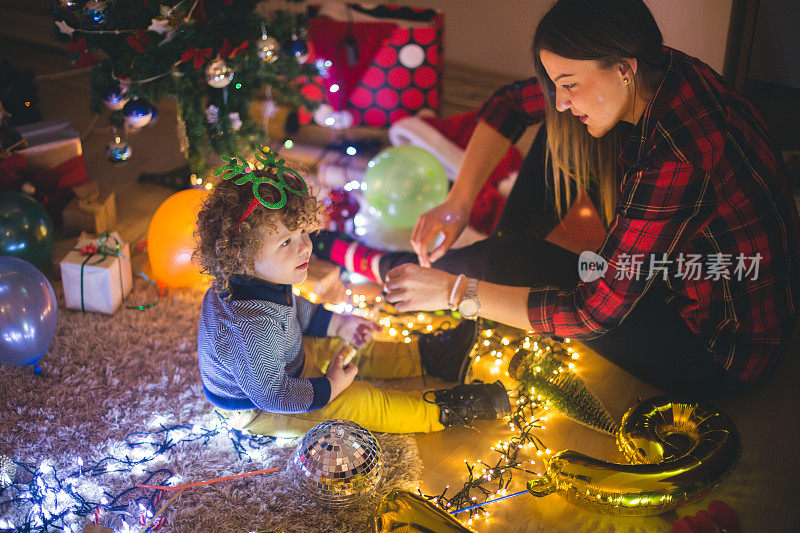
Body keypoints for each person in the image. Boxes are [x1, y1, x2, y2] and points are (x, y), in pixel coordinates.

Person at [382, 0, 800, 396]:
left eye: (570, 84)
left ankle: (420, 278)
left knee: (514, 261)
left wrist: (454, 292)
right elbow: (510, 104)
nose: (562, 99)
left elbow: (593, 313)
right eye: (556, 84)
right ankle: (484, 276)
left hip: (721, 349)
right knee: (561, 125)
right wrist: (459, 202)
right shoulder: (656, 67)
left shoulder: (679, 155)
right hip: (685, 271)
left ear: (622, 69)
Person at [194, 151, 511, 438]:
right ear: (242, 257)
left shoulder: (257, 276)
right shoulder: (250, 326)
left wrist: (339, 323)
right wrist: (330, 388)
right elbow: (275, 395)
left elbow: (293, 310)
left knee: (346, 346)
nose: (306, 246)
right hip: (260, 408)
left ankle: (433, 357)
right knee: (361, 401)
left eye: (302, 232)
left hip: (283, 362)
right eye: (286, 243)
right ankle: (446, 410)